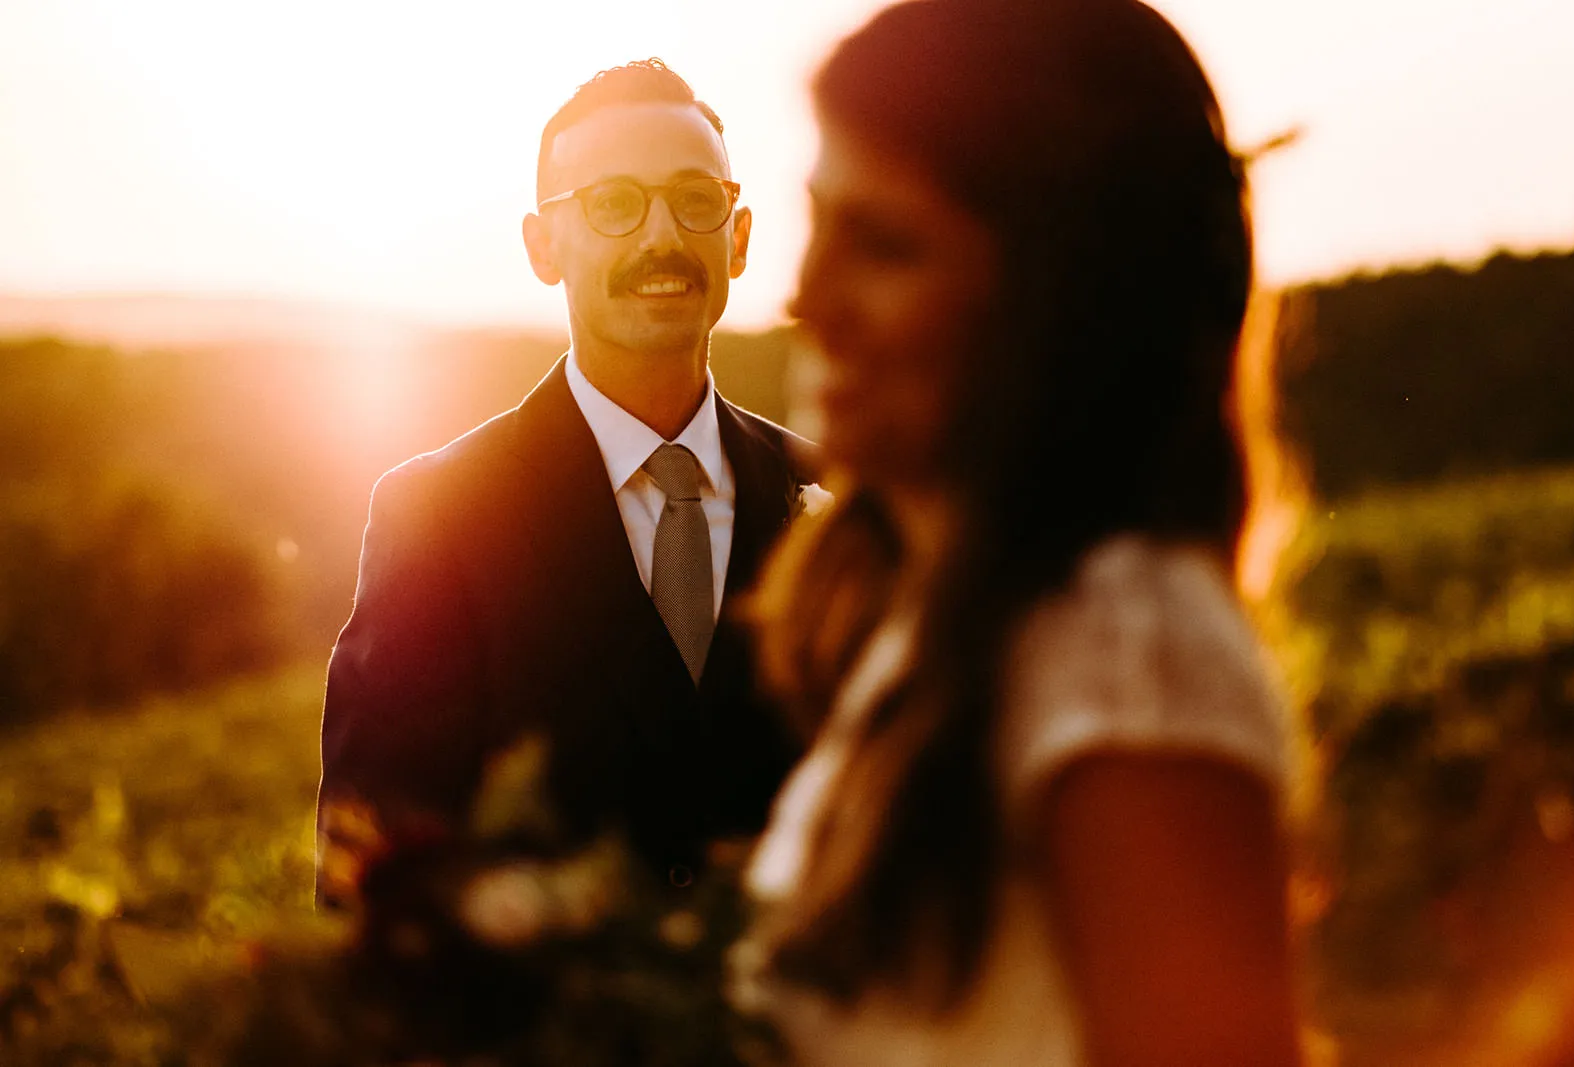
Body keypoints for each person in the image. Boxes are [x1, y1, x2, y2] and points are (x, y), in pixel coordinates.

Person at [735, 1, 1302, 1065]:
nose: (806, 296)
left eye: (885, 247)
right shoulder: (944, 630)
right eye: (816, 224)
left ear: (1057, 304)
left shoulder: (1127, 650)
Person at [317, 59, 812, 907]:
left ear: (737, 236)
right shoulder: (436, 514)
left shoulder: (838, 494)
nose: (662, 237)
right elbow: (372, 859)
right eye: (614, 204)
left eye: (695, 199)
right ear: (543, 246)